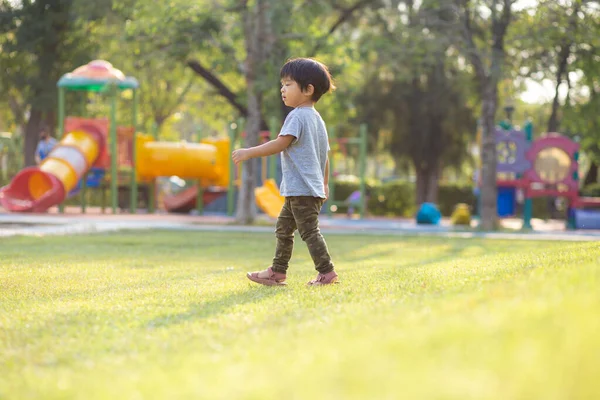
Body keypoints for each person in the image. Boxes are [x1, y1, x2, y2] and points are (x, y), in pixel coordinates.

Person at [232, 58, 338, 286]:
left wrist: (249, 152)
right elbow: (325, 156)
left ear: (308, 89)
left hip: (302, 190)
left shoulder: (297, 116)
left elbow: (280, 143)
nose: (283, 89)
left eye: (288, 84)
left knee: (309, 232)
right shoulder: (317, 119)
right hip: (307, 189)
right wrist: (325, 184)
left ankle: (327, 273)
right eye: (283, 84)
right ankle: (277, 271)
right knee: (284, 229)